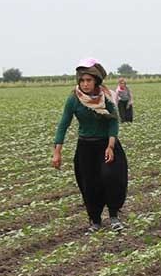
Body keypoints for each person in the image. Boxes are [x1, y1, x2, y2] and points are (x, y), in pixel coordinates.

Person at [52, 60, 128, 232]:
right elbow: (63, 124)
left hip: (107, 145)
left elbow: (113, 122)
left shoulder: (105, 97)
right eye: (82, 81)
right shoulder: (74, 99)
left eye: (89, 80)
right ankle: (95, 220)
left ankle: (114, 215)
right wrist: (57, 152)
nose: (85, 84)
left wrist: (110, 146)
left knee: (111, 178)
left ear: (96, 82)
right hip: (86, 147)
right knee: (89, 184)